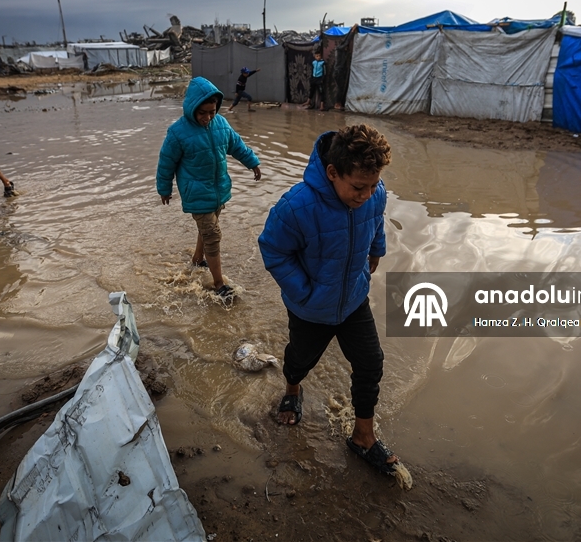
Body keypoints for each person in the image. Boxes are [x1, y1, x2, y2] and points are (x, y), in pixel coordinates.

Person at [258, 123, 402, 477]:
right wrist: (303, 293)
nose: (367, 194)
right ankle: (293, 388)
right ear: (332, 172)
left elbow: (375, 221)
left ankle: (364, 437)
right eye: (358, 187)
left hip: (353, 299)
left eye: (373, 185)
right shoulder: (295, 206)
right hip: (310, 307)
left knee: (371, 362)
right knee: (300, 359)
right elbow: (273, 250)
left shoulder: (375, 193)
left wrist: (376, 250)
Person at [157, 77, 262, 302]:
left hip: (218, 189)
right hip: (196, 192)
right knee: (213, 235)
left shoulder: (221, 124)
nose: (207, 118)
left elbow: (237, 146)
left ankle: (197, 259)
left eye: (212, 112)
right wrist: (164, 188)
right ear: (192, 108)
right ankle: (219, 283)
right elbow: (166, 162)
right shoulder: (177, 132)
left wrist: (253, 162)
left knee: (208, 229)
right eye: (202, 113)